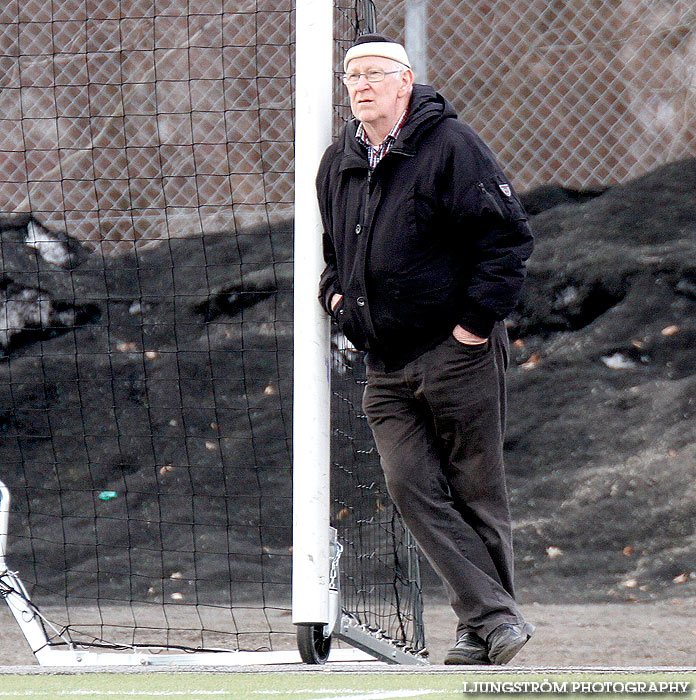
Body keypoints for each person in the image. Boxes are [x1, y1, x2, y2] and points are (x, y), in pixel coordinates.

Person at [316, 33, 535, 665]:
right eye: (351, 75)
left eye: (374, 74)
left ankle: (480, 629)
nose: (360, 84)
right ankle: (495, 617)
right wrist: (339, 301)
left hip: (456, 353)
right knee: (410, 485)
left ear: (405, 82)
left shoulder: (453, 147)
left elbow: (508, 243)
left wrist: (470, 329)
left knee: (476, 491)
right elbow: (333, 255)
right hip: (385, 364)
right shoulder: (337, 161)